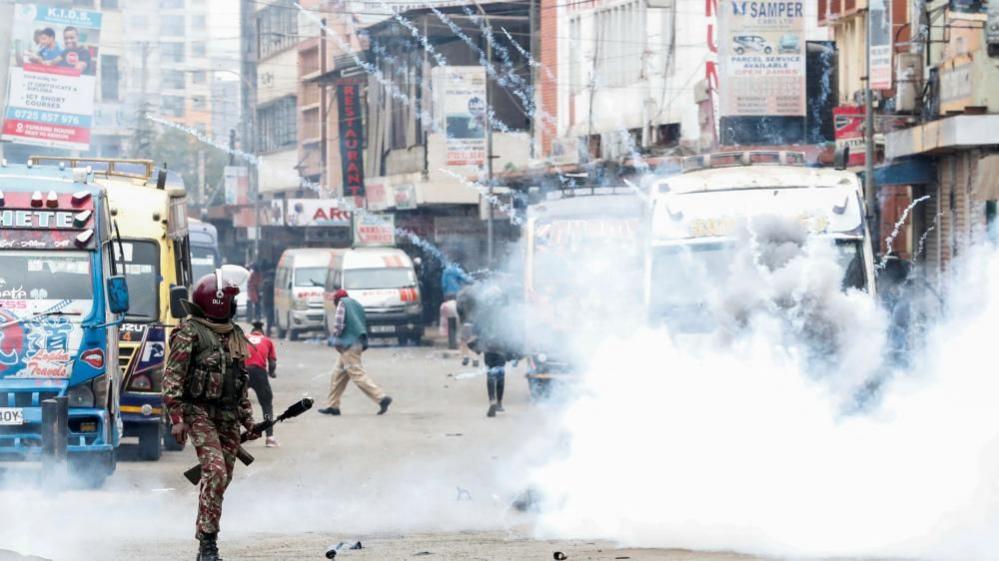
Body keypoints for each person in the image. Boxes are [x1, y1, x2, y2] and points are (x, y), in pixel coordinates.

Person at [163, 266, 259, 561]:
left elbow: (239, 382)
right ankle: (207, 544)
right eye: (230, 300)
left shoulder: (235, 334)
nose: (234, 305)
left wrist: (249, 420)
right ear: (217, 302)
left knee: (221, 477)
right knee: (215, 472)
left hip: (228, 416)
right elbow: (172, 379)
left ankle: (207, 532)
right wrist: (177, 419)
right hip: (198, 412)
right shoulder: (190, 333)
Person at [318, 289, 392, 416]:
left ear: (337, 299)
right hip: (357, 343)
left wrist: (336, 339)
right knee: (337, 375)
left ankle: (382, 398)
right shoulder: (356, 304)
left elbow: (339, 324)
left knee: (357, 374)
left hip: (348, 345)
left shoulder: (342, 303)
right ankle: (333, 406)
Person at [245, 320, 279, 448]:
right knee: (266, 404)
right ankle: (270, 438)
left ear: (252, 332)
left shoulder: (244, 338)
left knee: (236, 404)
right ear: (262, 332)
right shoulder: (267, 341)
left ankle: (237, 436)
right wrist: (272, 373)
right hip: (260, 373)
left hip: (243, 372)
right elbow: (272, 363)